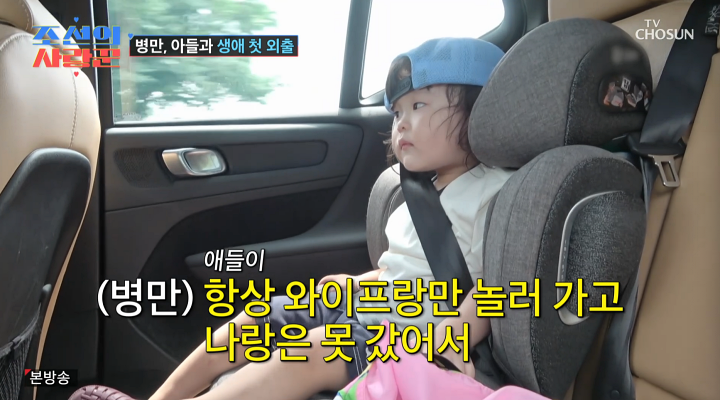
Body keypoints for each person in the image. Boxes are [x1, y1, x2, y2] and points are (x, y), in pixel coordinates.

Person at [68, 37, 514, 400]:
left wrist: (455, 336)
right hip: (376, 310)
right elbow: (400, 268)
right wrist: (356, 283)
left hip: (413, 341)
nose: (401, 124)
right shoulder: (411, 191)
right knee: (256, 319)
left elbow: (492, 288)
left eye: (420, 106)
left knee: (310, 351)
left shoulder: (496, 192)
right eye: (397, 112)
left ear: (481, 112)